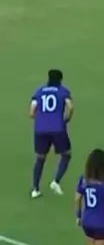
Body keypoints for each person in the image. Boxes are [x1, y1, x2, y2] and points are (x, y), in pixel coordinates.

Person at [29, 69, 73, 198]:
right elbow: (70, 107)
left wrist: (41, 120)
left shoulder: (39, 91)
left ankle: (35, 189)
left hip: (40, 130)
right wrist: (66, 119)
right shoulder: (63, 91)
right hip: (58, 128)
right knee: (66, 154)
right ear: (60, 79)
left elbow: (31, 112)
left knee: (40, 158)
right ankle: (56, 181)